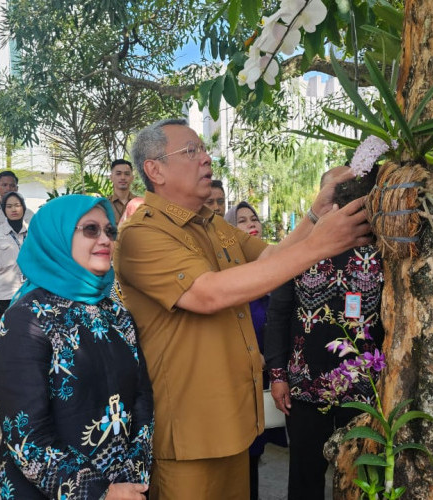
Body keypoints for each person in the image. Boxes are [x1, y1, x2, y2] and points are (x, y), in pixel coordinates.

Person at [114, 117, 371, 499]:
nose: (206, 159)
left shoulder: (210, 224)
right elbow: (207, 293)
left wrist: (316, 214)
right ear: (155, 170)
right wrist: (320, 245)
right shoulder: (142, 234)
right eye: (191, 151)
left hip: (233, 421)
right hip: (189, 429)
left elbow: (270, 257)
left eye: (204, 149)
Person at [0, 194, 153, 499]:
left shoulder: (116, 313)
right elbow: (27, 439)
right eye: (90, 229)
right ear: (57, 237)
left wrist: (133, 473)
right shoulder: (25, 320)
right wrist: (100, 493)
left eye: (109, 231)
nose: (105, 238)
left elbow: (142, 397)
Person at [264, 169, 385, 500]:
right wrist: (277, 374)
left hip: (366, 390)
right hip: (305, 387)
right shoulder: (301, 247)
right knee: (305, 478)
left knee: (363, 479)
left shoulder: (383, 248)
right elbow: (278, 313)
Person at [225, 201, 288, 500]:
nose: (251, 224)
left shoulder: (272, 271)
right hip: (239, 380)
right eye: (241, 220)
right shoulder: (229, 277)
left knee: (257, 451)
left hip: (268, 375)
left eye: (254, 218)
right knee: (242, 456)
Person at [0, 191, 28, 318]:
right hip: (5, 295)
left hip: (29, 292)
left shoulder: (33, 233)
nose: (14, 209)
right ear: (4, 210)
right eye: (9, 206)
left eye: (17, 205)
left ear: (23, 207)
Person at [0, 170, 33, 237]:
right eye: (4, 185)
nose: (8, 188)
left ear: (17, 188)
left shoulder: (28, 214)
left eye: (12, 185)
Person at [109, 159, 136, 223]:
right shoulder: (104, 205)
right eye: (118, 174)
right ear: (111, 177)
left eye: (127, 174)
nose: (123, 177)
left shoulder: (141, 204)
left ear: (132, 178)